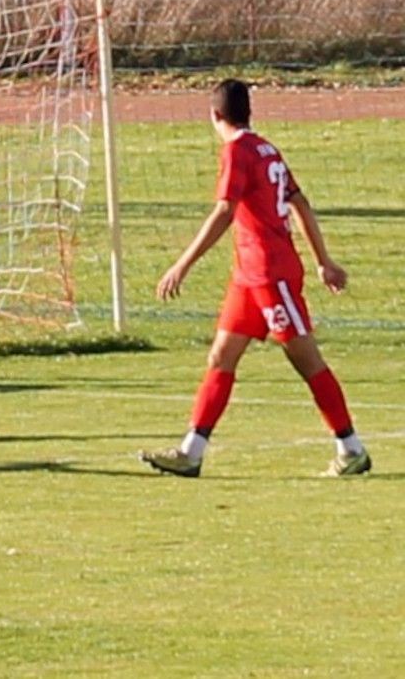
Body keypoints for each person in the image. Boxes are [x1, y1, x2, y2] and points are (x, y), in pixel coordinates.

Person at [140, 79, 371, 478]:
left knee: (306, 360)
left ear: (215, 115)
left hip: (270, 273)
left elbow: (225, 211)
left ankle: (352, 449)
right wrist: (323, 260)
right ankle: (191, 452)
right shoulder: (266, 148)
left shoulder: (237, 151)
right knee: (221, 357)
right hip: (249, 276)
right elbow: (299, 201)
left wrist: (182, 264)